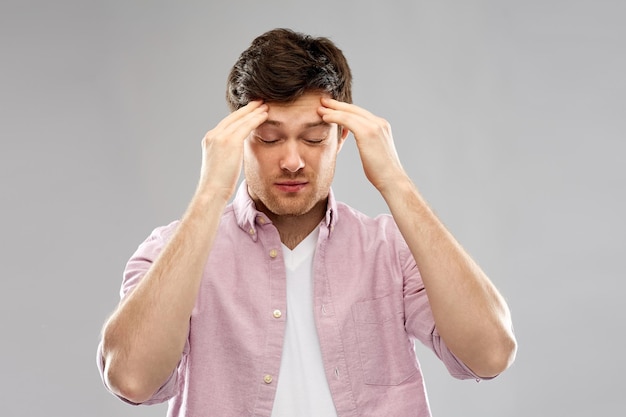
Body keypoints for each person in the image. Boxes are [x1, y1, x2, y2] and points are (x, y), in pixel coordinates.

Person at [97, 28, 517, 417]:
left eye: (314, 138)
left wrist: (396, 183)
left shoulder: (392, 249)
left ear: (342, 138)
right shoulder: (171, 251)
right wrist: (210, 195)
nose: (293, 161)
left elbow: (490, 355)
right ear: (235, 139)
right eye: (269, 137)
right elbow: (131, 380)